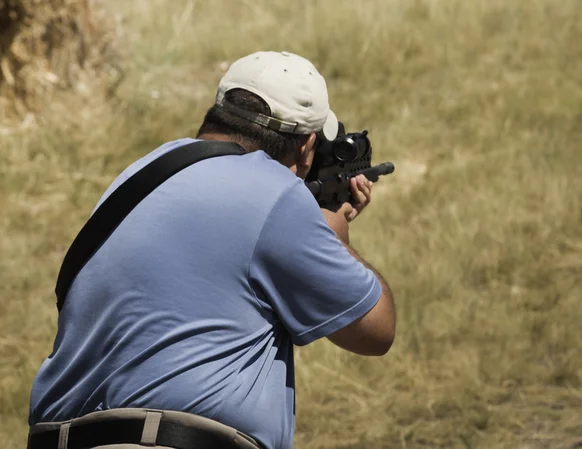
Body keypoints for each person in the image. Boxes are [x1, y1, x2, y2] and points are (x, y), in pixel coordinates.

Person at [27, 51, 396, 449]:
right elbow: (375, 332)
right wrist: (338, 240)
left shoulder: (138, 174)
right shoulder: (276, 192)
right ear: (307, 147)